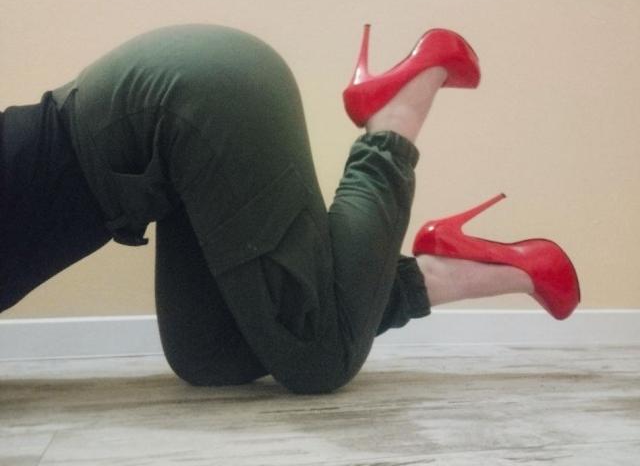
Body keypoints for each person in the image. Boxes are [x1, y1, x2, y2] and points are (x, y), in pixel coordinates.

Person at [0, 23, 579, 394]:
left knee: (319, 358)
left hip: (188, 96)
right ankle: (441, 270)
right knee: (210, 357)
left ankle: (396, 117)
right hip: (162, 137)